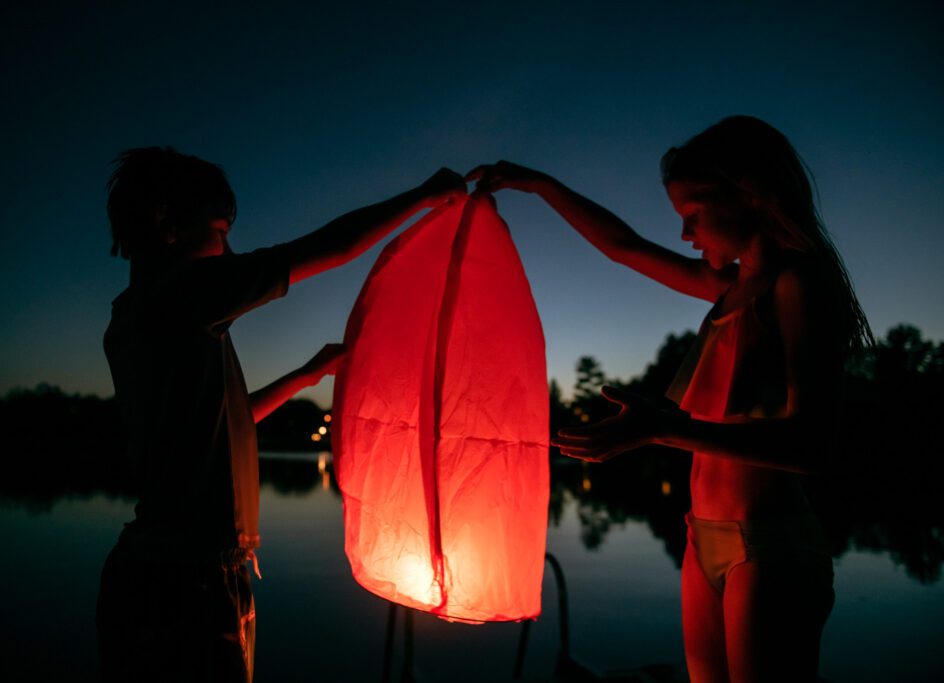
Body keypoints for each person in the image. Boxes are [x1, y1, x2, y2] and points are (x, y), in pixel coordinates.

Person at [468, 116, 872, 682]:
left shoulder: (794, 284)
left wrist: (659, 429)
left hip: (768, 547)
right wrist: (539, 185)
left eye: (693, 216)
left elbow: (811, 444)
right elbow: (622, 246)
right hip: (699, 535)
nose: (686, 236)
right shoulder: (729, 290)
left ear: (750, 193)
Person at [97, 146, 464, 682]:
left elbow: (229, 419)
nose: (228, 250)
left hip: (155, 568)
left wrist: (305, 375)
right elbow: (326, 249)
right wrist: (423, 196)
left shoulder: (131, 316)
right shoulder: (181, 296)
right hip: (188, 583)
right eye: (220, 230)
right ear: (168, 225)